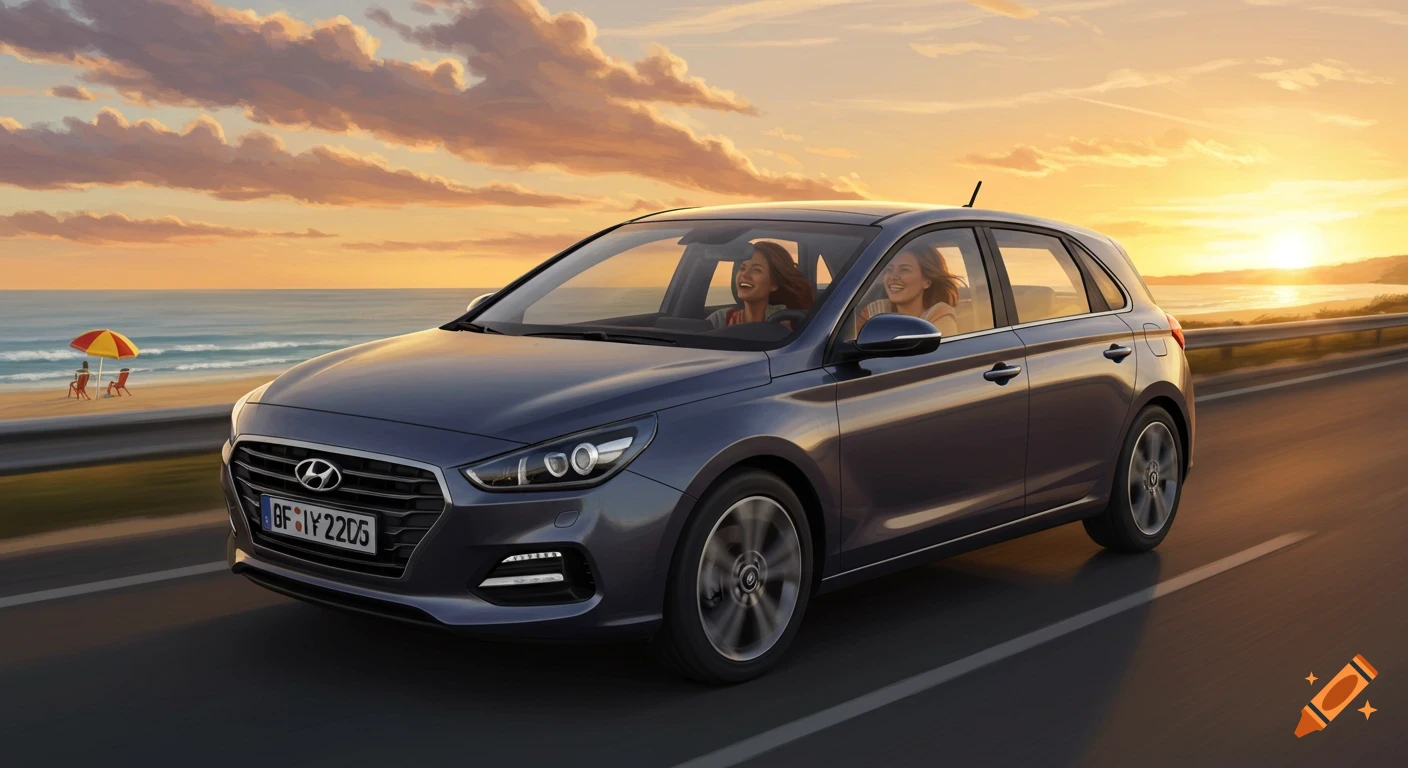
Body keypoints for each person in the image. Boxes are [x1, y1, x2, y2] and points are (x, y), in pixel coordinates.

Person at [856, 243, 962, 337]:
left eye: (905, 270)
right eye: (889, 269)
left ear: (927, 281)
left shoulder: (939, 315)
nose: (893, 277)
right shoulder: (874, 312)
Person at [707, 241, 814, 329]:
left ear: (774, 284)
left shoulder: (788, 325)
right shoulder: (721, 319)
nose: (745, 274)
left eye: (756, 270)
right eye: (742, 268)